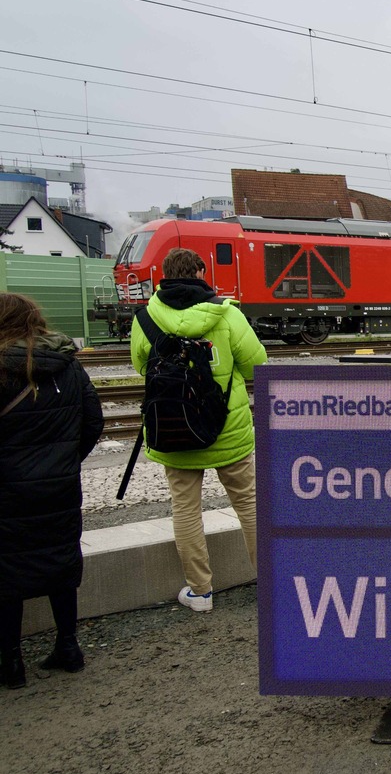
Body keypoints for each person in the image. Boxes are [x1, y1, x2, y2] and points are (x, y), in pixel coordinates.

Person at [131, 248, 267, 613]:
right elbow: (258, 367)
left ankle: (201, 592)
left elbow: (141, 366)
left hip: (174, 432)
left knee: (186, 508)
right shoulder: (227, 314)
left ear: (164, 275)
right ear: (201, 272)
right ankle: (270, 585)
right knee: (249, 503)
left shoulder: (144, 318)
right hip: (228, 432)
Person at [0, 293, 104, 688]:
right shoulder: (68, 365)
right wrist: (64, 462)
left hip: (7, 490)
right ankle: (69, 647)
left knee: (7, 572)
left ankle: (11, 663)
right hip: (60, 487)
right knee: (61, 563)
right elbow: (93, 421)